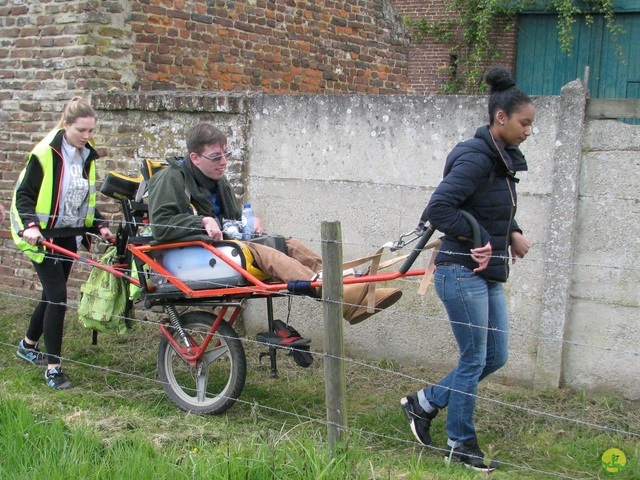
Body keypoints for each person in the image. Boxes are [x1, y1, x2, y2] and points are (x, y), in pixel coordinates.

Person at [400, 67, 533, 472]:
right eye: (525, 123)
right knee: (475, 358)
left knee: (496, 355)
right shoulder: (477, 158)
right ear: (501, 118)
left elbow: (489, 205)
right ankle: (461, 443)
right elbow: (438, 209)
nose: (529, 132)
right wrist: (477, 237)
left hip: (488, 272)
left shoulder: (500, 158)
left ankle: (424, 402)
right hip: (460, 271)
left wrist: (512, 231)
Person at [147, 123, 402, 324]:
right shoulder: (170, 179)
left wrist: (249, 222)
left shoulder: (218, 181)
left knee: (287, 244)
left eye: (227, 154)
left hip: (222, 246)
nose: (224, 162)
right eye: (216, 157)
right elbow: (161, 226)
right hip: (189, 253)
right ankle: (339, 294)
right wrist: (200, 222)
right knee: (264, 252)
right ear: (194, 157)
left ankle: (347, 285)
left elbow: (231, 221)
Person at [10, 96, 114, 390]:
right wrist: (31, 226)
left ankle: (28, 344)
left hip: (69, 236)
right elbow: (24, 196)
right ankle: (53, 369)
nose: (87, 136)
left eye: (91, 131)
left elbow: (82, 200)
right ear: (67, 125)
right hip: (41, 237)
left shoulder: (86, 156)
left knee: (51, 294)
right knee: (58, 297)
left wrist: (100, 225)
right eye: (82, 130)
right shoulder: (44, 154)